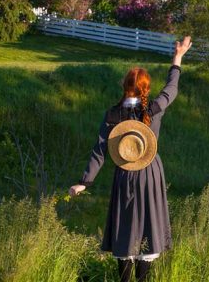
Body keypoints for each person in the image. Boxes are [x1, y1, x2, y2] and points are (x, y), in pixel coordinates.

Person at [69, 36, 193, 282]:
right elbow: (172, 89)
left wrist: (85, 182)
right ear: (146, 88)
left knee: (126, 229)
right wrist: (177, 58)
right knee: (147, 227)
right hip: (150, 172)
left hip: (124, 173)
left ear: (124, 86)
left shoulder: (113, 114)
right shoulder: (153, 109)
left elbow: (100, 149)